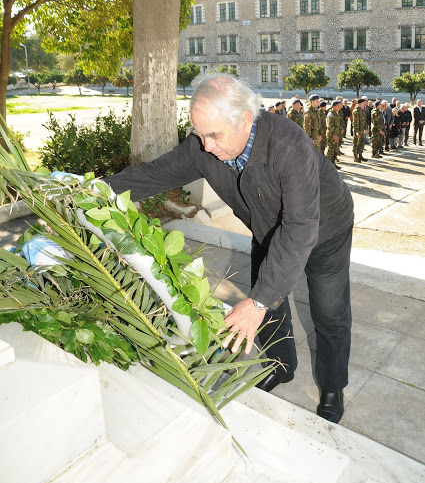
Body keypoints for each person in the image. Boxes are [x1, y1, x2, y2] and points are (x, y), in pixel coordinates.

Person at [105, 75, 354, 423]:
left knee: (328, 312)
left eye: (213, 136)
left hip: (325, 229)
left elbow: (300, 228)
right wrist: (96, 192)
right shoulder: (204, 146)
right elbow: (154, 175)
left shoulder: (287, 144)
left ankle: (332, 386)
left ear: (245, 122)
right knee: (269, 303)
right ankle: (281, 367)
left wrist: (259, 301)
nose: (205, 147)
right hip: (268, 229)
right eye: (199, 134)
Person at [326, 99, 343, 169]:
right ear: (334, 106)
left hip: (336, 135)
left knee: (334, 151)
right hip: (331, 136)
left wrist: (341, 129)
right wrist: (334, 135)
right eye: (338, 106)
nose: (339, 107)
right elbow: (330, 126)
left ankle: (333, 164)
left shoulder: (336, 113)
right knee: (330, 151)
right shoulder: (331, 115)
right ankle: (327, 166)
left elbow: (338, 124)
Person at [352, 98, 367, 162]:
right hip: (357, 130)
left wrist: (365, 128)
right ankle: (355, 157)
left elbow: (364, 120)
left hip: (362, 130)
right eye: (363, 103)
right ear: (359, 104)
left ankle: (360, 155)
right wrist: (357, 131)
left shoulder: (362, 110)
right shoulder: (356, 111)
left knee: (361, 143)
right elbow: (355, 122)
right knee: (356, 143)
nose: (364, 104)